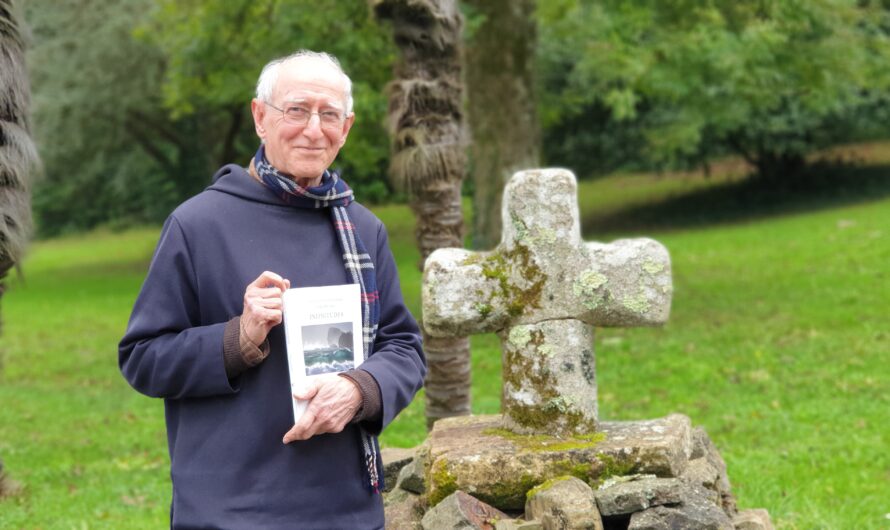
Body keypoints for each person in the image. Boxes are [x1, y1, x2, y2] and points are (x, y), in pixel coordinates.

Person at [119, 50, 426, 529]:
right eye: (297, 110)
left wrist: (360, 389)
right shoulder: (198, 225)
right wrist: (238, 338)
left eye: (329, 115)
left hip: (344, 507)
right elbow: (142, 357)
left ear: (345, 129)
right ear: (261, 118)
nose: (313, 128)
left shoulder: (363, 230)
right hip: (232, 508)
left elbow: (403, 347)